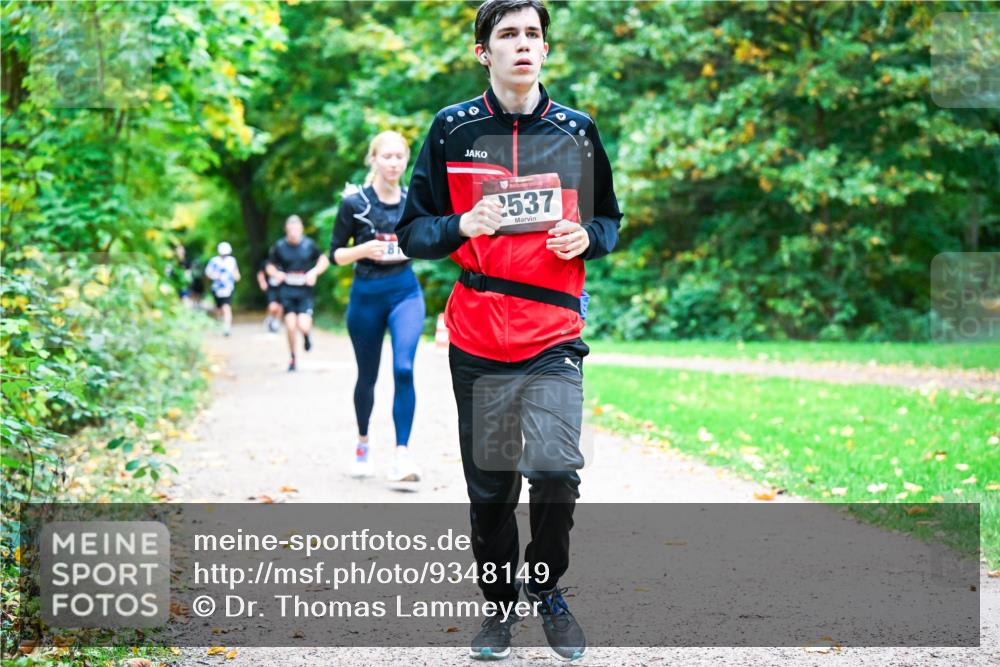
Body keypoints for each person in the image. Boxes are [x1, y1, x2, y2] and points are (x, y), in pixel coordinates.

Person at [396, 0, 622, 661]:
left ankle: (548, 589)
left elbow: (608, 219)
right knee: (491, 485)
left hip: (552, 331)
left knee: (555, 471)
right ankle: (498, 608)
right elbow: (412, 231)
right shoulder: (451, 130)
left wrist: (590, 237)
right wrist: (457, 225)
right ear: (483, 51)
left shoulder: (578, 132)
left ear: (546, 50)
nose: (522, 44)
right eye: (508, 34)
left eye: (533, 34)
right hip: (478, 337)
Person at [329, 131, 426, 483]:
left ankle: (402, 455)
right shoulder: (355, 203)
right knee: (367, 376)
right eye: (387, 156)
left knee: (403, 368)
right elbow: (336, 254)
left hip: (405, 293)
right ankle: (362, 444)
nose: (394, 163)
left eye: (400, 156)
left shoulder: (412, 200)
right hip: (366, 294)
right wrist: (363, 250)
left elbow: (427, 239)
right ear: (373, 159)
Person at [267, 215, 329, 371]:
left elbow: (324, 260)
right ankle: (293, 358)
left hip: (304, 291)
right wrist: (276, 274)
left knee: (303, 324)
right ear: (286, 229)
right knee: (290, 326)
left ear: (301, 228)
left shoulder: (309, 245)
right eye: (291, 228)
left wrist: (314, 273)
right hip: (287, 291)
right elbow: (269, 265)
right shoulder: (280, 246)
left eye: (297, 228)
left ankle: (307, 336)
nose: (294, 231)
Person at [204, 242, 240, 336]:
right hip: (217, 288)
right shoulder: (214, 261)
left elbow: (236, 273)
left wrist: (236, 276)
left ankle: (227, 327)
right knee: (219, 308)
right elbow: (208, 274)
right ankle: (219, 324)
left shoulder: (232, 261)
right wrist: (216, 276)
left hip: (228, 288)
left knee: (226, 307)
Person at [256, 258, 283, 333]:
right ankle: (269, 318)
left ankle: (276, 322)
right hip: (272, 288)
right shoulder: (267, 263)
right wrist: (262, 282)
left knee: (281, 306)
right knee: (272, 306)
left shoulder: (285, 261)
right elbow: (261, 273)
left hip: (282, 288)